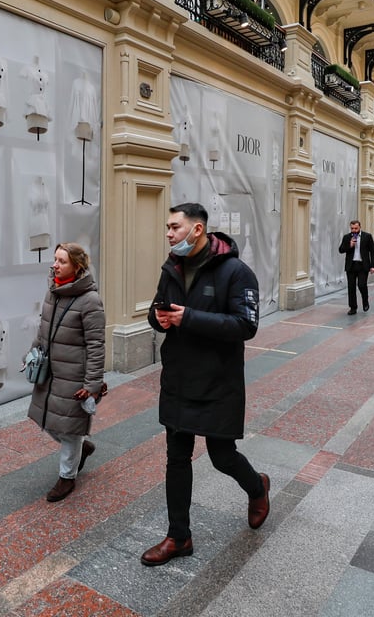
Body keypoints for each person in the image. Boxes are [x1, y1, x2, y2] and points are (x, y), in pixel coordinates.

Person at [142, 203, 269, 566]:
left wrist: (189, 318)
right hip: (179, 378)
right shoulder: (172, 267)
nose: (168, 234)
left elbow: (246, 326)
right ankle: (178, 537)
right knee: (176, 458)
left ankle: (257, 487)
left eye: (174, 227)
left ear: (197, 230)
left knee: (221, 456)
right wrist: (160, 319)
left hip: (218, 381)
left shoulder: (237, 272)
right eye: (167, 228)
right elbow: (156, 309)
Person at [26, 242, 106, 502]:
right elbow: (43, 328)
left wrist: (93, 384)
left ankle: (66, 478)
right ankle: (81, 448)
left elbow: (96, 345)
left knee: (70, 429)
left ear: (77, 266)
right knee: (49, 421)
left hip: (74, 376)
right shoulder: (53, 290)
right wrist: (33, 353)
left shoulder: (90, 300)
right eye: (54, 259)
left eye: (61, 261)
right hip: (50, 372)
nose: (54, 265)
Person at [338, 220, 374, 314]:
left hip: (363, 265)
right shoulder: (347, 237)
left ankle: (365, 301)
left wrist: (373, 266)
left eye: (356, 228)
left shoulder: (367, 236)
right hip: (351, 266)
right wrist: (349, 245)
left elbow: (372, 251)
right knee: (351, 287)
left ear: (360, 227)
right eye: (352, 228)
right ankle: (353, 307)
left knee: (361, 285)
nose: (354, 230)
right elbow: (341, 250)